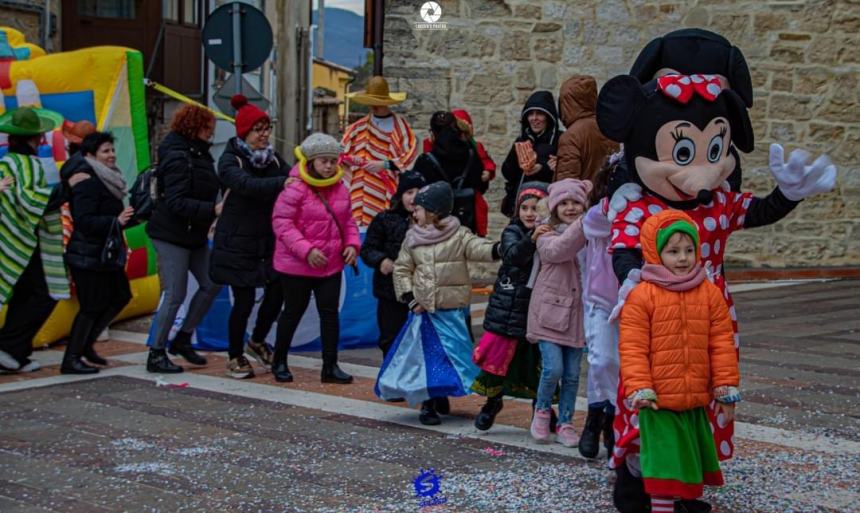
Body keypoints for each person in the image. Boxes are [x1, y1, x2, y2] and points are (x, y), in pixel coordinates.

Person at [619, 209, 740, 512]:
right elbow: (633, 348)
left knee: (687, 456)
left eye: (689, 250)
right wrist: (640, 387)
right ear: (655, 253)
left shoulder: (709, 294)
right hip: (657, 399)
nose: (683, 258)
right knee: (664, 464)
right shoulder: (642, 296)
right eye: (673, 251)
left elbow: (722, 344)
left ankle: (683, 503)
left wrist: (725, 390)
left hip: (694, 397)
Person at [375, 181, 500, 425]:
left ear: (433, 211)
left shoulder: (459, 235)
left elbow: (478, 248)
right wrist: (410, 298)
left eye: (419, 209)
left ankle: (451, 394)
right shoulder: (411, 238)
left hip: (451, 311)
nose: (414, 212)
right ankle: (428, 404)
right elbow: (402, 269)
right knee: (427, 359)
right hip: (424, 312)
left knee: (454, 357)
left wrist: (499, 249)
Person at [0, 106, 87, 373]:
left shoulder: (14, 163)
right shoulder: (18, 164)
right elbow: (29, 199)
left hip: (24, 239)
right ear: (33, 138)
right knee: (43, 293)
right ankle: (8, 347)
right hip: (21, 241)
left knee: (27, 293)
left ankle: (15, 351)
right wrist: (66, 188)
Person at [271, 133, 360, 384]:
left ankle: (330, 366)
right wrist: (306, 250)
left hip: (330, 264)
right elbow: (282, 223)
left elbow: (348, 221)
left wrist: (353, 244)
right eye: (324, 161)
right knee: (293, 312)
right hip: (297, 265)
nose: (329, 166)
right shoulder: (295, 187)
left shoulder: (341, 188)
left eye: (333, 161)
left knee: (329, 314)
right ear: (311, 161)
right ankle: (279, 360)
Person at [210, 95, 289, 379]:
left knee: (278, 290)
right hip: (237, 242)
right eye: (258, 129)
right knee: (243, 301)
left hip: (267, 240)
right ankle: (234, 355)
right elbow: (246, 185)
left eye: (266, 128)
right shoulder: (231, 159)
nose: (264, 134)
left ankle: (257, 340)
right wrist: (284, 182)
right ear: (244, 132)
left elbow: (292, 181)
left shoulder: (275, 159)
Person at [146, 105, 223, 373]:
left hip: (194, 233)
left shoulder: (199, 153)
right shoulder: (178, 155)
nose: (211, 132)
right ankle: (156, 352)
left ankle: (183, 338)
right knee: (175, 293)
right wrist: (211, 211)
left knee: (212, 283)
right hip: (171, 234)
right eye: (207, 127)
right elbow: (176, 202)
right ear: (194, 127)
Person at [472, 181, 550, 431]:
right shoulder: (512, 232)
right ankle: (493, 402)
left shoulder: (552, 232)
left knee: (537, 363)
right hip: (508, 308)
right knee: (497, 361)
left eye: (535, 208)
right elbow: (513, 255)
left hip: (536, 310)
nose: (529, 213)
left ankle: (541, 410)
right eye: (525, 208)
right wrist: (532, 239)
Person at [62, 131, 134, 374]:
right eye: (106, 151)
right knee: (91, 306)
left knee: (120, 295)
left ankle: (86, 345)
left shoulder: (109, 178)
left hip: (106, 254)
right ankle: (71, 358)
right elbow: (84, 220)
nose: (112, 155)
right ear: (91, 155)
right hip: (86, 254)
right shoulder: (86, 180)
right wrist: (115, 221)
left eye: (112, 150)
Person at [527, 178, 591, 447]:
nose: (570, 207)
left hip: (579, 314)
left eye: (576, 202)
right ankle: (542, 410)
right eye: (563, 203)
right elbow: (558, 250)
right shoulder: (545, 233)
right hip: (549, 313)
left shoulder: (591, 233)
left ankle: (566, 421)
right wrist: (586, 221)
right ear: (553, 208)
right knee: (553, 368)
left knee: (573, 374)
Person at [578, 161, 621, 458]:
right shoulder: (596, 217)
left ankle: (613, 420)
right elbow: (596, 222)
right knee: (601, 360)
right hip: (600, 301)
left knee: (626, 366)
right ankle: (596, 418)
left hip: (634, 300)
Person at [360, 170, 426, 358]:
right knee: (391, 338)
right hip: (391, 291)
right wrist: (381, 260)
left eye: (419, 192)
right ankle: (391, 377)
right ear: (400, 195)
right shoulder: (385, 219)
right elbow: (368, 249)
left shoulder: (432, 222)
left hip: (423, 291)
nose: (414, 198)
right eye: (409, 192)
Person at [342, 76, 418, 226]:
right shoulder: (357, 128)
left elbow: (410, 157)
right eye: (371, 102)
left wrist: (385, 164)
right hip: (359, 191)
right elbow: (341, 155)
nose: (374, 106)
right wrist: (351, 159)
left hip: (389, 189)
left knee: (386, 228)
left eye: (377, 102)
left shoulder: (400, 128)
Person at [422, 109, 496, 236]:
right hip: (463, 211)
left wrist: (489, 171)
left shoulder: (473, 147)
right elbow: (481, 184)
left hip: (443, 214)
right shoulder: (470, 153)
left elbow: (486, 161)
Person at [500, 90, 560, 218]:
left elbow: (563, 171)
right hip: (520, 206)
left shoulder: (559, 140)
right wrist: (518, 161)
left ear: (548, 117)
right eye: (531, 114)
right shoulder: (522, 140)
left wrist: (541, 168)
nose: (534, 118)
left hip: (546, 207)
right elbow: (507, 173)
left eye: (540, 114)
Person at [554, 75, 619, 183]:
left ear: (566, 103)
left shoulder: (571, 136)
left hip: (584, 197)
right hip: (610, 197)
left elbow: (567, 184)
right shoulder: (608, 127)